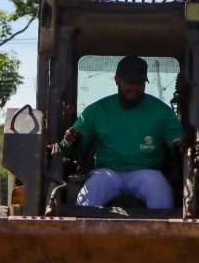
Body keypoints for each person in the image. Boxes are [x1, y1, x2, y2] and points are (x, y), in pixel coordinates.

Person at [60, 55, 185, 209]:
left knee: (159, 187)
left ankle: (163, 232)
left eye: (139, 83)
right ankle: (81, 230)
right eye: (129, 82)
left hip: (146, 173)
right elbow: (71, 148)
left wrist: (181, 145)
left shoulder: (161, 112)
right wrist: (70, 140)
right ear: (117, 79)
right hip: (107, 173)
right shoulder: (96, 111)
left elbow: (178, 146)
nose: (134, 87)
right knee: (93, 188)